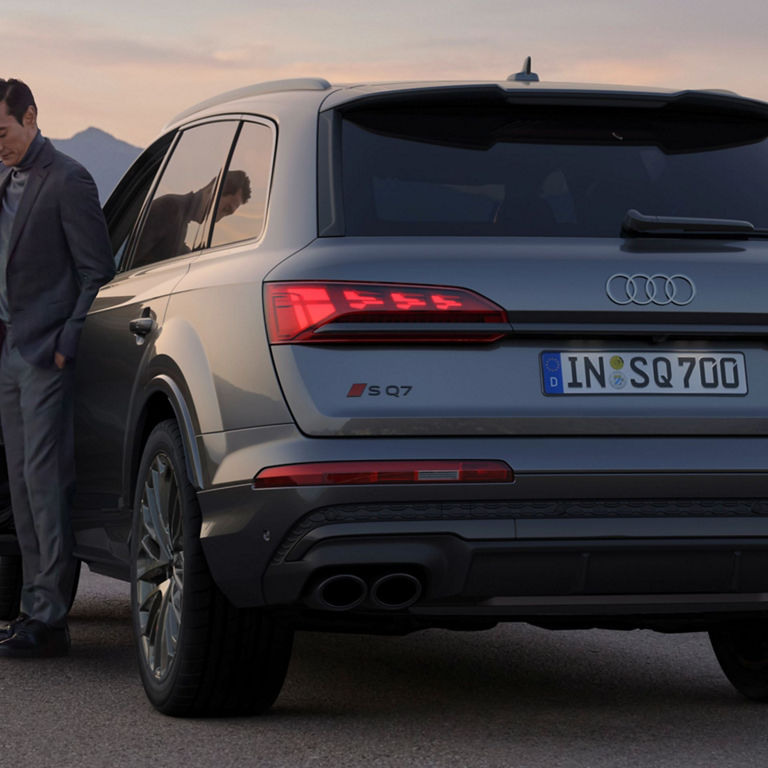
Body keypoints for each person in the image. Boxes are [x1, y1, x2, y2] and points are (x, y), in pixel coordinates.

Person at [0, 78, 115, 657]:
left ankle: (49, 619)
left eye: (2, 132)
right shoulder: (1, 178)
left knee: (45, 487)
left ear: (30, 116)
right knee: (20, 487)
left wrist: (67, 342)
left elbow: (98, 270)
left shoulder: (68, 178)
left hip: (46, 354)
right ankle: (29, 609)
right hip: (8, 353)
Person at [133, 170, 251, 267]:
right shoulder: (169, 209)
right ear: (212, 190)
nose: (218, 219)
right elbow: (134, 263)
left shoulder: (180, 219)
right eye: (225, 209)